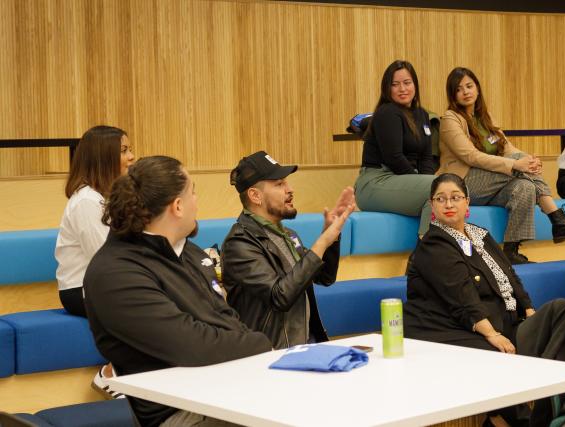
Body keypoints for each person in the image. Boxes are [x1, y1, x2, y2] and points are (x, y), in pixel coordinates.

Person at [84, 156, 272, 427]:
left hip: (231, 392)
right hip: (183, 413)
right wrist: (264, 345)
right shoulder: (115, 273)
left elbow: (226, 322)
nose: (197, 200)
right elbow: (195, 347)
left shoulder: (189, 253)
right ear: (178, 206)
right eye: (193, 191)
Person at [404, 173, 535, 427]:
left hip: (492, 317)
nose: (449, 204)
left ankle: (511, 418)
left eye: (455, 198)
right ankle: (517, 422)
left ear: (467, 203)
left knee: (554, 328)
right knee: (497, 356)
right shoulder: (435, 243)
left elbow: (509, 275)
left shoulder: (480, 234)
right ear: (433, 207)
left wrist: (529, 309)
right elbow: (461, 296)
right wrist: (492, 334)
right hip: (440, 325)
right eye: (441, 199)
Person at [439, 67, 565, 264]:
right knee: (519, 168)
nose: (466, 92)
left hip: (492, 182)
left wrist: (529, 160)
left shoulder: (485, 117)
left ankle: (511, 251)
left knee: (525, 187)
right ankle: (557, 218)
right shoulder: (450, 119)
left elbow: (506, 148)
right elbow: (471, 157)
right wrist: (517, 164)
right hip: (464, 183)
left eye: (469, 86)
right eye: (459, 89)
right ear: (453, 95)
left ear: (477, 88)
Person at [222, 151, 354, 349]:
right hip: (271, 353)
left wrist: (331, 236)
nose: (290, 189)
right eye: (279, 184)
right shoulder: (239, 244)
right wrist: (322, 242)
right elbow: (280, 297)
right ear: (255, 195)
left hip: (307, 345)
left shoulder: (288, 234)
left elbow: (325, 277)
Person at [54, 125, 134, 397]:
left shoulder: (105, 198)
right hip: (80, 290)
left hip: (101, 284)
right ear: (104, 157)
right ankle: (109, 374)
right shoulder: (86, 201)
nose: (132, 156)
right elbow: (107, 258)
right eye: (124, 150)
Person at [354, 60, 436, 236]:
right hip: (376, 182)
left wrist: (423, 180)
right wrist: (419, 182)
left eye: (407, 83)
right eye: (395, 84)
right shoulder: (387, 112)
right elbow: (394, 157)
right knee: (440, 188)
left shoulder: (422, 115)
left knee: (451, 188)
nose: (402, 89)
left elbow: (426, 158)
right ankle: (429, 253)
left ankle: (433, 249)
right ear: (387, 88)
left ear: (415, 84)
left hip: (403, 179)